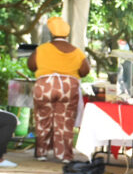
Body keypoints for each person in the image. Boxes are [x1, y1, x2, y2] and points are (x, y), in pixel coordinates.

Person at [27, 17, 90, 163]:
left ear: (51, 34)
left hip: (45, 86)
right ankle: (64, 156)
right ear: (67, 35)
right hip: (68, 87)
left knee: (43, 119)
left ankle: (41, 153)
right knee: (65, 121)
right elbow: (85, 71)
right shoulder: (77, 52)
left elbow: (31, 65)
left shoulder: (41, 49)